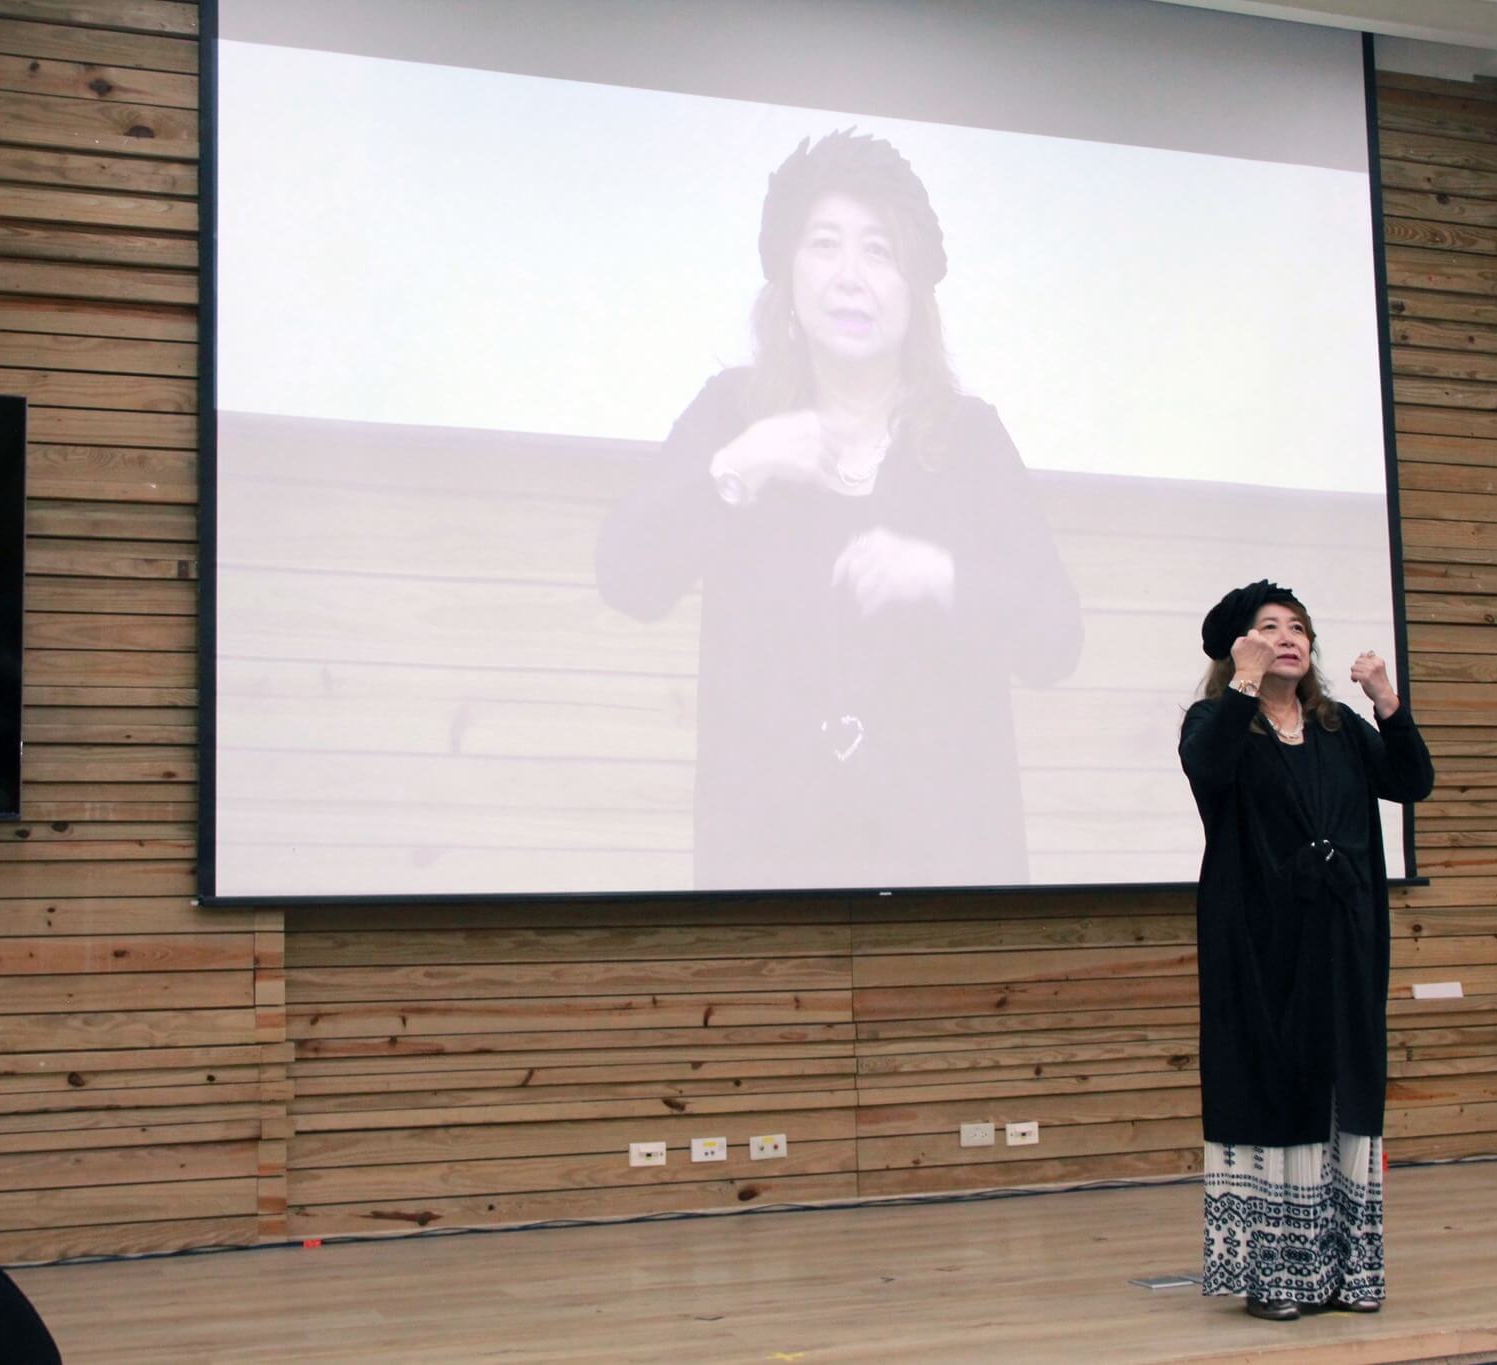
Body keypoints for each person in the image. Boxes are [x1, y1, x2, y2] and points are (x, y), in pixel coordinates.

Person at [595, 130, 1083, 891]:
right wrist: (737, 468)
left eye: (878, 252)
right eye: (825, 245)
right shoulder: (731, 415)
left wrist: (944, 577)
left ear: (914, 293)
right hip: (769, 867)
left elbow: (1056, 642)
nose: (850, 277)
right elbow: (628, 578)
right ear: (787, 275)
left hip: (944, 868)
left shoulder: (970, 438)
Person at [1177, 580, 1434, 1320]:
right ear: (1239, 646)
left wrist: (1386, 700)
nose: (1287, 637)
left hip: (1342, 938)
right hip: (1261, 944)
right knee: (1273, 1083)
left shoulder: (1339, 726)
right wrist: (1244, 682)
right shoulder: (1216, 719)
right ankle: (1277, 1276)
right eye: (1268, 627)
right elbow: (1209, 771)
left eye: (1297, 627)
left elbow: (1412, 780)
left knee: (1344, 1087)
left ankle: (1348, 1272)